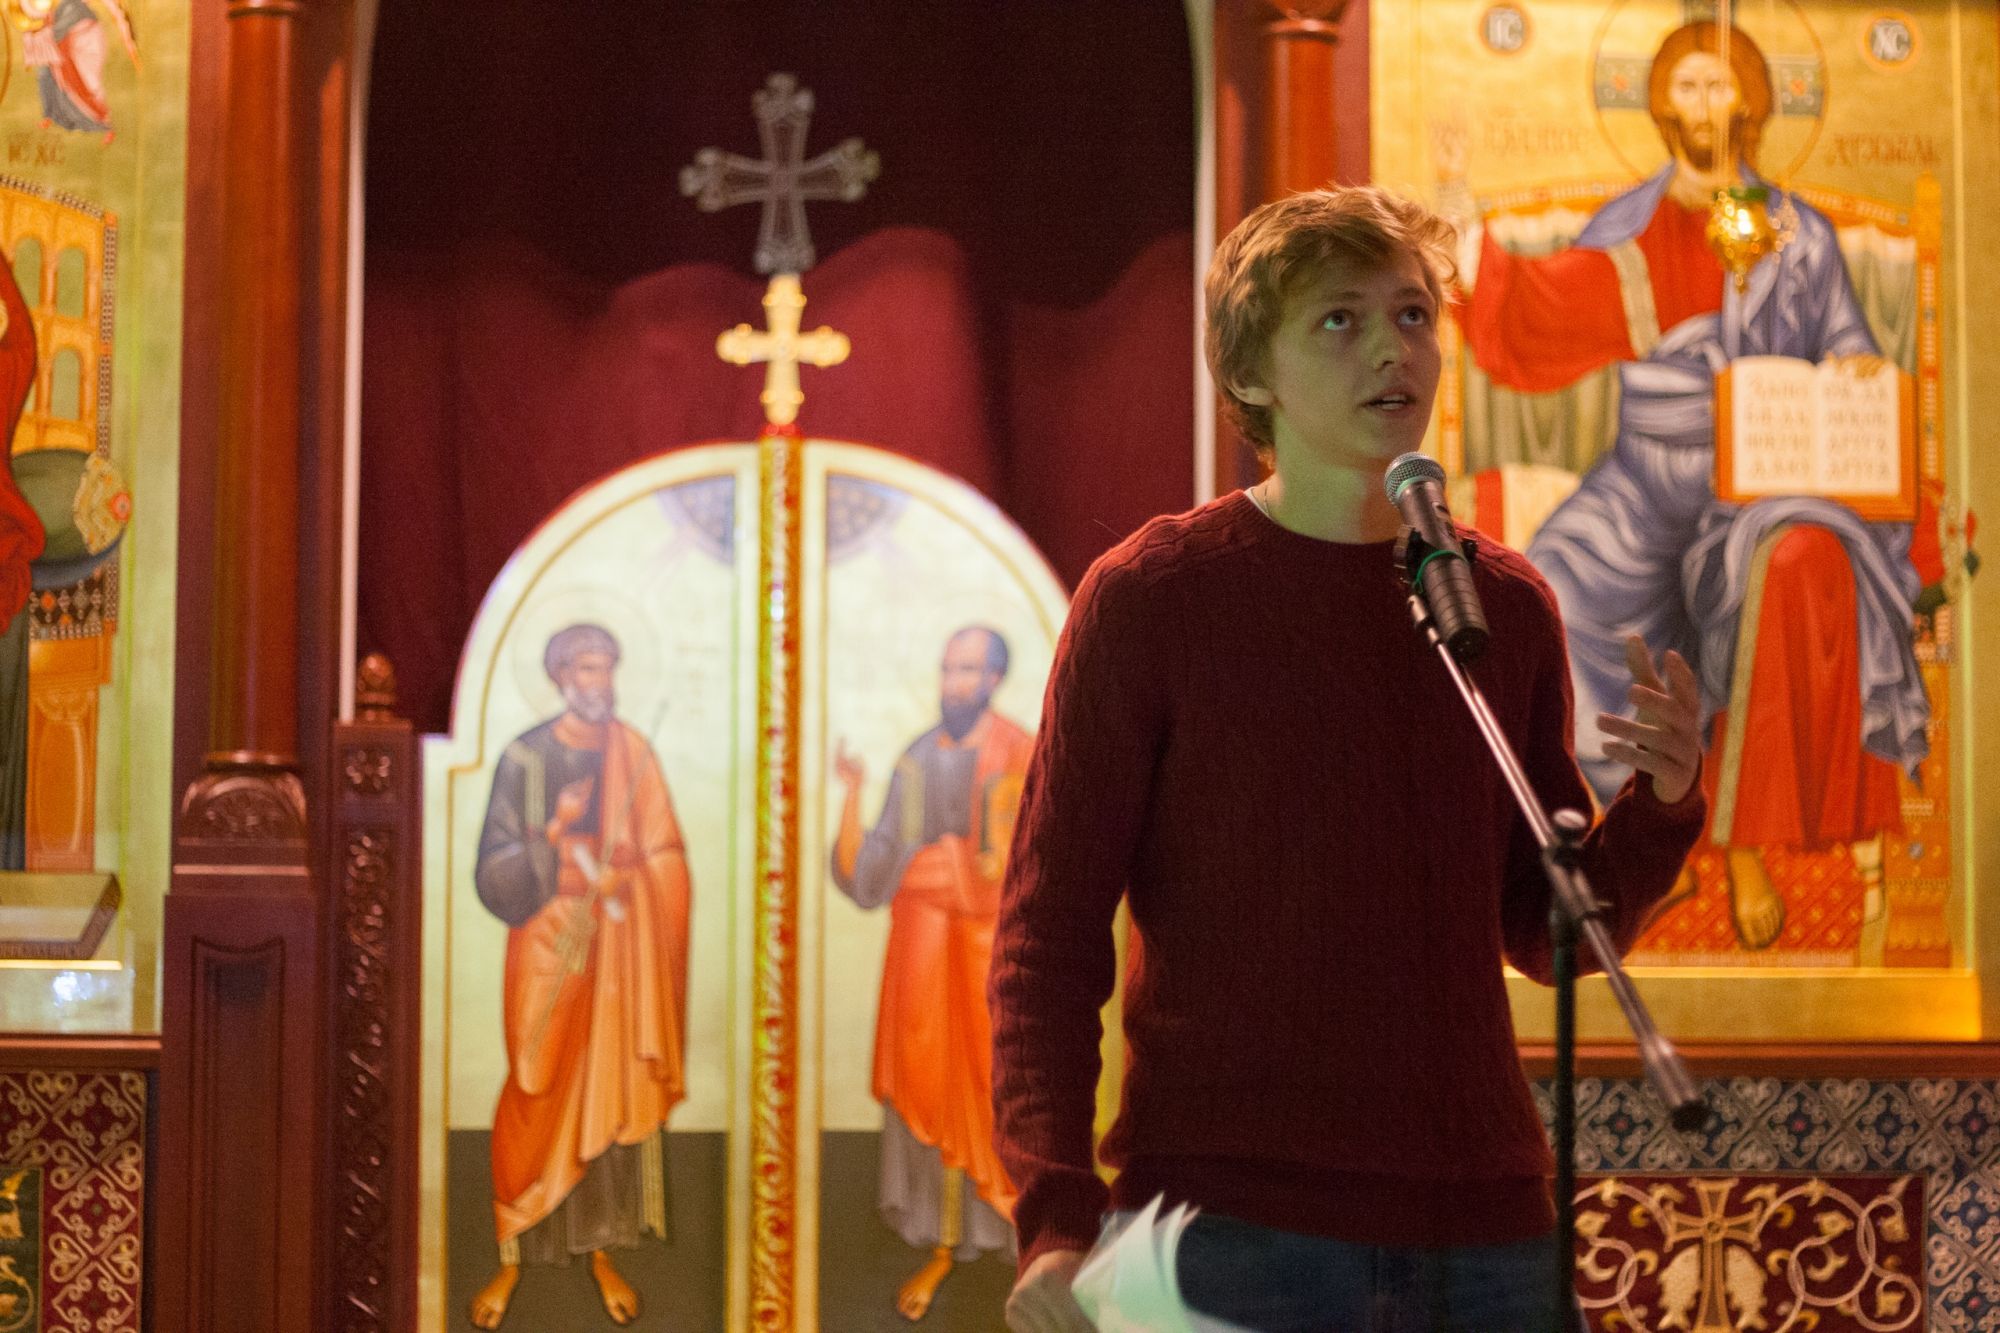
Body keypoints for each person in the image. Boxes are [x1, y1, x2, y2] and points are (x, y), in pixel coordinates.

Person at [990, 186, 1706, 1332]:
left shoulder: (1500, 606)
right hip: (1220, 1228)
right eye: (1341, 319)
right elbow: (1047, 938)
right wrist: (1054, 1213)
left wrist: (1659, 807)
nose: (1392, 349)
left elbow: (1545, 930)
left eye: (1413, 314)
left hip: (1478, 1229)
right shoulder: (1152, 599)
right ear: (1250, 371)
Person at [1443, 20, 1924, 950]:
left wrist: (1855, 367)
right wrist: (1469, 240)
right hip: (1643, 481)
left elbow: (1848, 342)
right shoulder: (1633, 226)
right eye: (1689, 87)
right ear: (1664, 105)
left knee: (1760, 579)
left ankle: (1738, 845)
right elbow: (1545, 313)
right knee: (1556, 575)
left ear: (1751, 101)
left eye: (1722, 85)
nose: (1707, 105)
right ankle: (1625, 837)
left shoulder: (1801, 235)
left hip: (1767, 479)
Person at [467, 623, 692, 1329]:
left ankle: (600, 1252)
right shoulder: (525, 757)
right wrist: (551, 840)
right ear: (562, 676)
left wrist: (634, 876)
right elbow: (493, 870)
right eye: (587, 668)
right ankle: (512, 1249)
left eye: (608, 667)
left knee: (606, 1083)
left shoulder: (635, 753)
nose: (600, 681)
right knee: (536, 1077)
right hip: (547, 937)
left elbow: (667, 854)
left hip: (619, 944)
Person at [832, 625, 1034, 1321]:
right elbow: (874, 871)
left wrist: (947, 868)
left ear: (993, 678)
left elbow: (1025, 866)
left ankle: (1010, 1235)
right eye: (949, 669)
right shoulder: (918, 758)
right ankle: (943, 1243)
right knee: (927, 1083)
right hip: (920, 959)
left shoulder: (1018, 753)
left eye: (968, 670)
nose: (954, 683)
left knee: (990, 1084)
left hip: (985, 958)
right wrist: (852, 795)